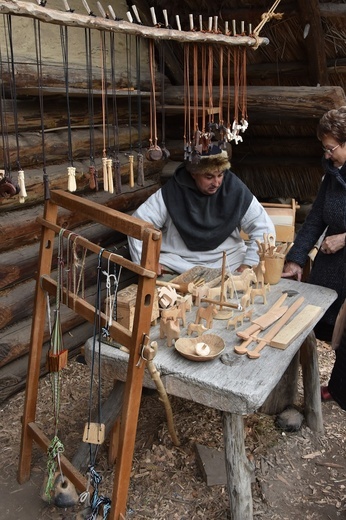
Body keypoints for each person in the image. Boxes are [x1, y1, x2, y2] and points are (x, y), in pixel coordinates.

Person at [128, 146, 275, 275]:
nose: (216, 183)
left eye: (220, 175)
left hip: (229, 262)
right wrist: (146, 262)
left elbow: (264, 228)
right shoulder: (173, 191)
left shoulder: (234, 189)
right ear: (194, 173)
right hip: (180, 264)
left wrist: (248, 264)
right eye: (209, 176)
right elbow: (137, 225)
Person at [282, 106, 346, 343]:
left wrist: (344, 238)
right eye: (325, 148)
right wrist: (296, 258)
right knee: (324, 330)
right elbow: (316, 217)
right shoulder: (333, 174)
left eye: (331, 149)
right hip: (330, 269)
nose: (327, 155)